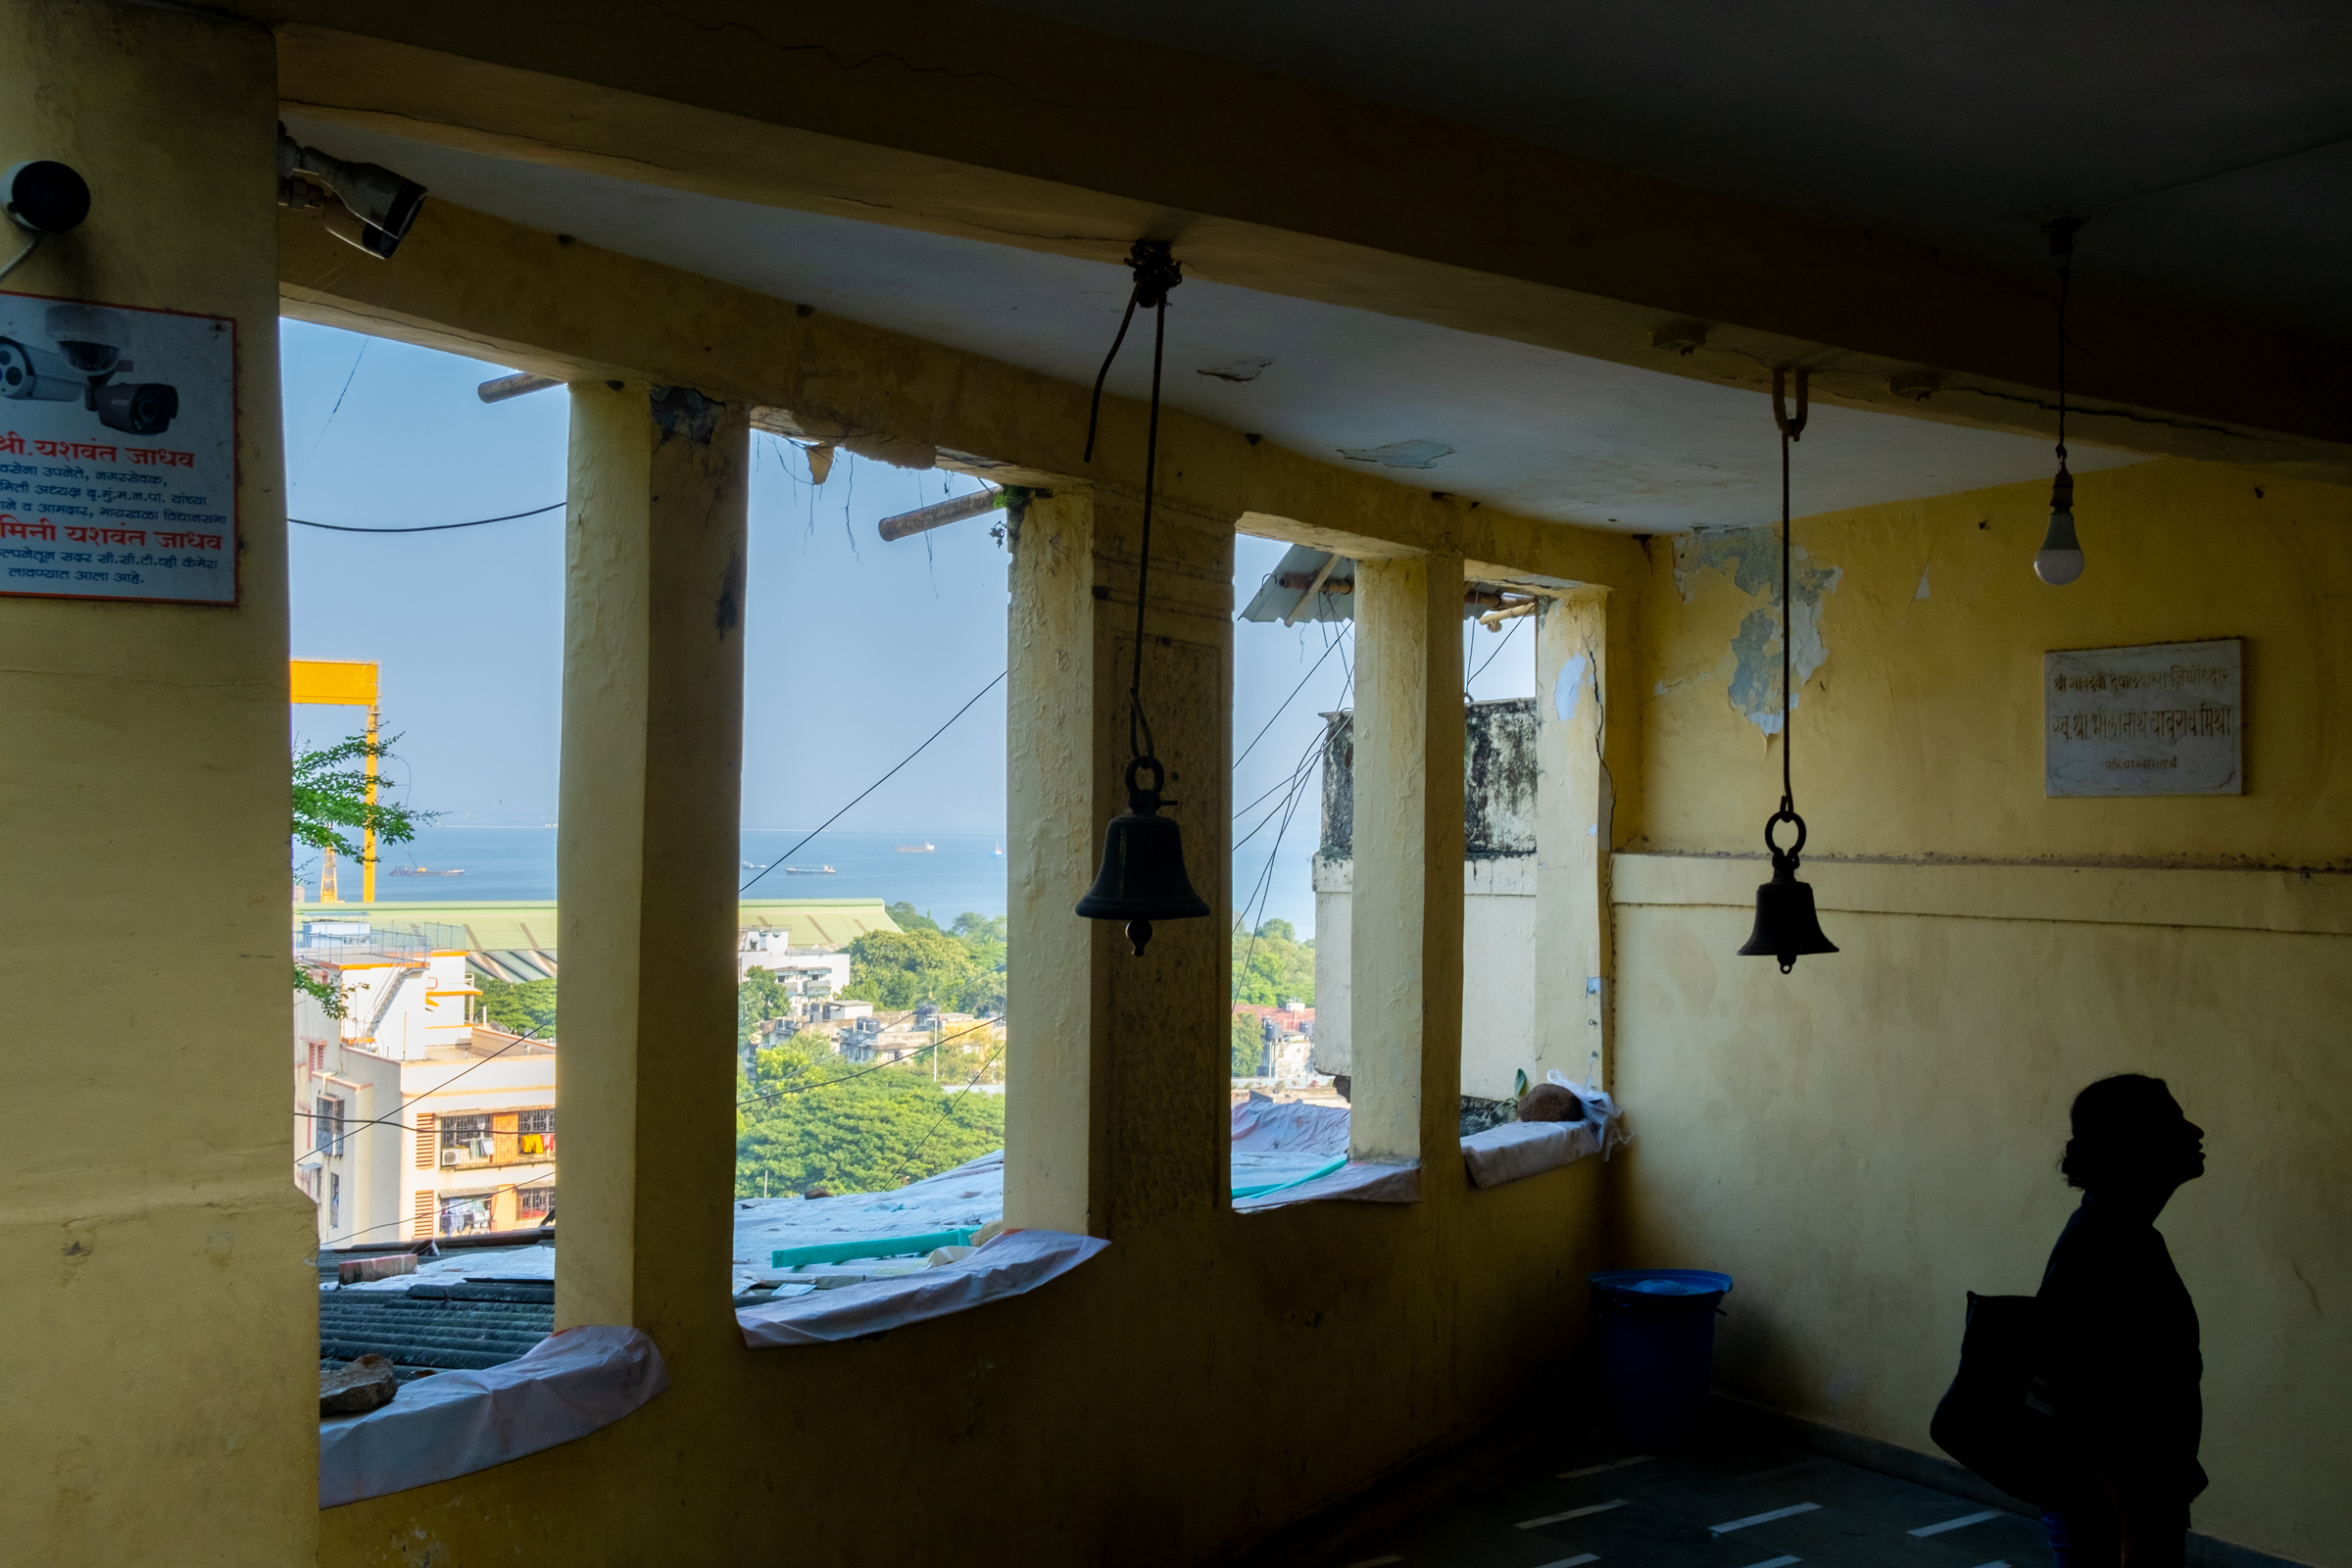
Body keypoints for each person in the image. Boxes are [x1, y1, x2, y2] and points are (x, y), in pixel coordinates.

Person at [2037, 1074, 2207, 1566]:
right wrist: (2135, 1527)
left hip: (2128, 1509)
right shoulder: (2102, 1245)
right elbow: (2082, 1399)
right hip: (2109, 1517)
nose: (2196, 1132)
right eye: (2175, 1123)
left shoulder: (2124, 1234)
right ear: (2129, 1147)